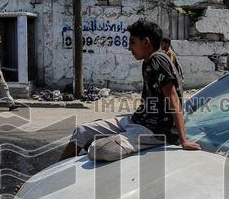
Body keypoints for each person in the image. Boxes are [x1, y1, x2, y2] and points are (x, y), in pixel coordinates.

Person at [60, 20, 200, 160]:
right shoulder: (148, 62)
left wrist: (183, 140)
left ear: (146, 42)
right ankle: (58, 174)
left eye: (132, 42)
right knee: (81, 131)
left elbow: (173, 99)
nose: (129, 48)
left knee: (99, 149)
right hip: (136, 121)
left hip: (154, 131)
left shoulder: (158, 60)